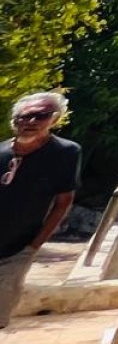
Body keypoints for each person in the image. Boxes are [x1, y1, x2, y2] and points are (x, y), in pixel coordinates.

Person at [0, 93, 81, 330]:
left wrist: (34, 246)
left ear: (54, 119)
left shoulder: (65, 152)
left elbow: (63, 201)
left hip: (17, 249)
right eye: (25, 116)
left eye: (40, 115)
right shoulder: (2, 152)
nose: (31, 121)